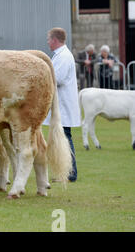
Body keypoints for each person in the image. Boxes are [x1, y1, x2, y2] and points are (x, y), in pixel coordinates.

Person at [44, 27, 80, 182]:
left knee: (65, 137)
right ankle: (66, 172)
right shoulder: (59, 55)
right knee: (63, 137)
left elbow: (58, 78)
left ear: (54, 40)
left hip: (63, 104)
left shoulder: (64, 56)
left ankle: (70, 173)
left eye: (48, 39)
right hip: (61, 104)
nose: (47, 42)